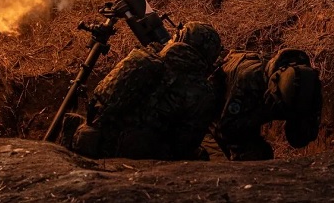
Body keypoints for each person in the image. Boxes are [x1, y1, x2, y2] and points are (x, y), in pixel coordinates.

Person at [61, 21, 222, 159]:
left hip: (108, 151)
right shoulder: (205, 92)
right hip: (159, 162)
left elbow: (100, 101)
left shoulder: (143, 60)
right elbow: (187, 143)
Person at [210, 48, 322, 160]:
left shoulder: (303, 85)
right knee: (253, 156)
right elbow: (226, 128)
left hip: (249, 109)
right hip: (216, 111)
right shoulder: (248, 82)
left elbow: (301, 137)